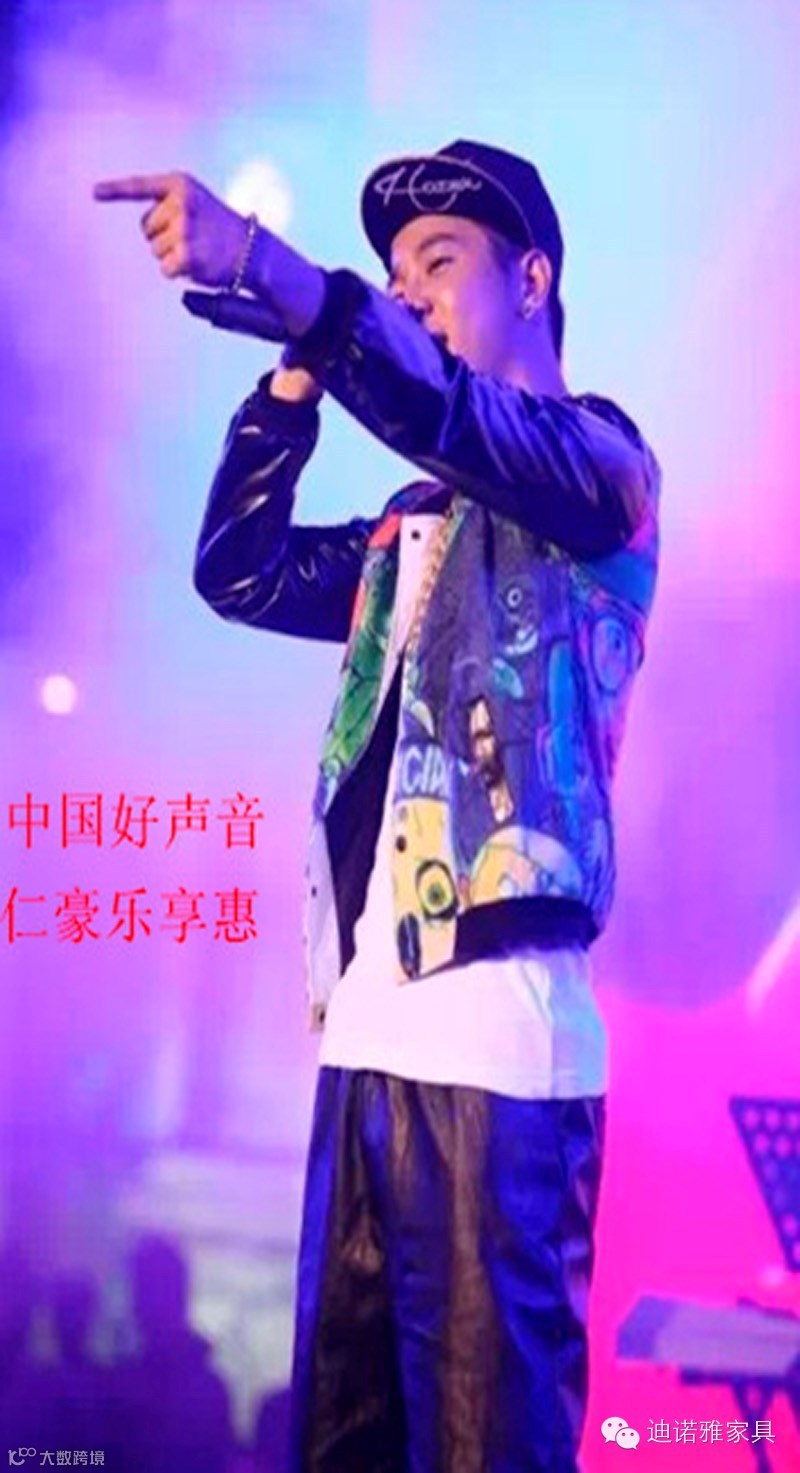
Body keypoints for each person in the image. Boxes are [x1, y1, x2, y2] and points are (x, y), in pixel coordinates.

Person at [94, 139, 660, 1472]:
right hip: (363, 1040)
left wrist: (283, 275)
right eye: (394, 274)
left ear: (534, 280)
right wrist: (297, 370)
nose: (409, 290)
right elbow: (237, 569)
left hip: (499, 1051)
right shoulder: (411, 527)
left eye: (439, 261)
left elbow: (449, 413)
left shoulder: (602, 469)